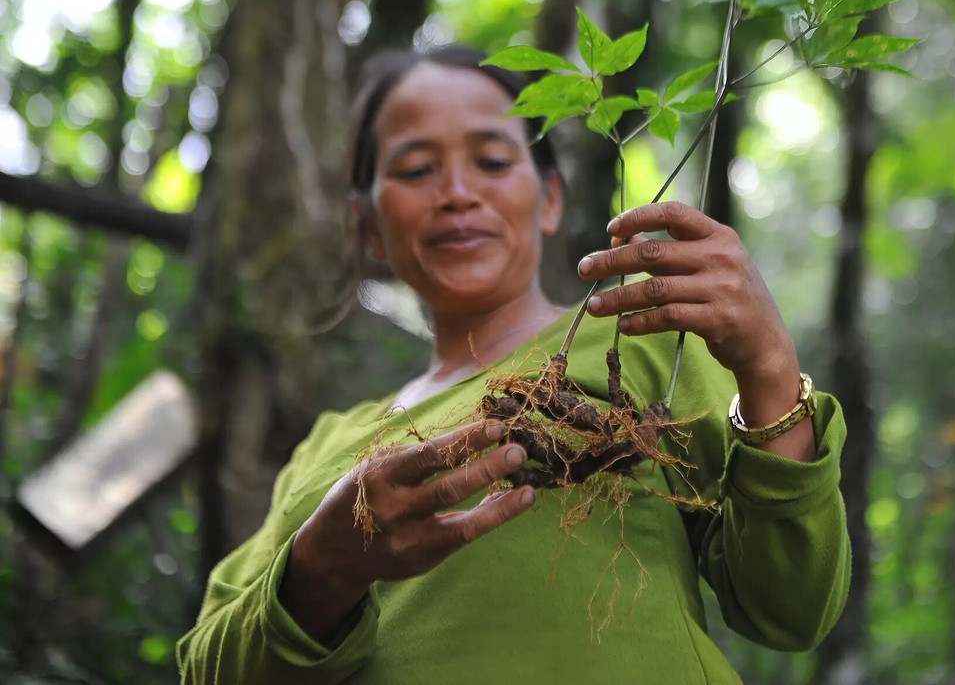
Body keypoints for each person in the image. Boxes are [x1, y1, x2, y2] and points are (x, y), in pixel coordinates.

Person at [176, 45, 851, 684]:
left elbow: (789, 607)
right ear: (369, 225)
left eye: (494, 161)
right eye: (415, 169)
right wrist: (320, 566)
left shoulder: (639, 340)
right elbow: (208, 665)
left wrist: (768, 367)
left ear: (550, 198)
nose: (456, 191)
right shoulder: (325, 446)